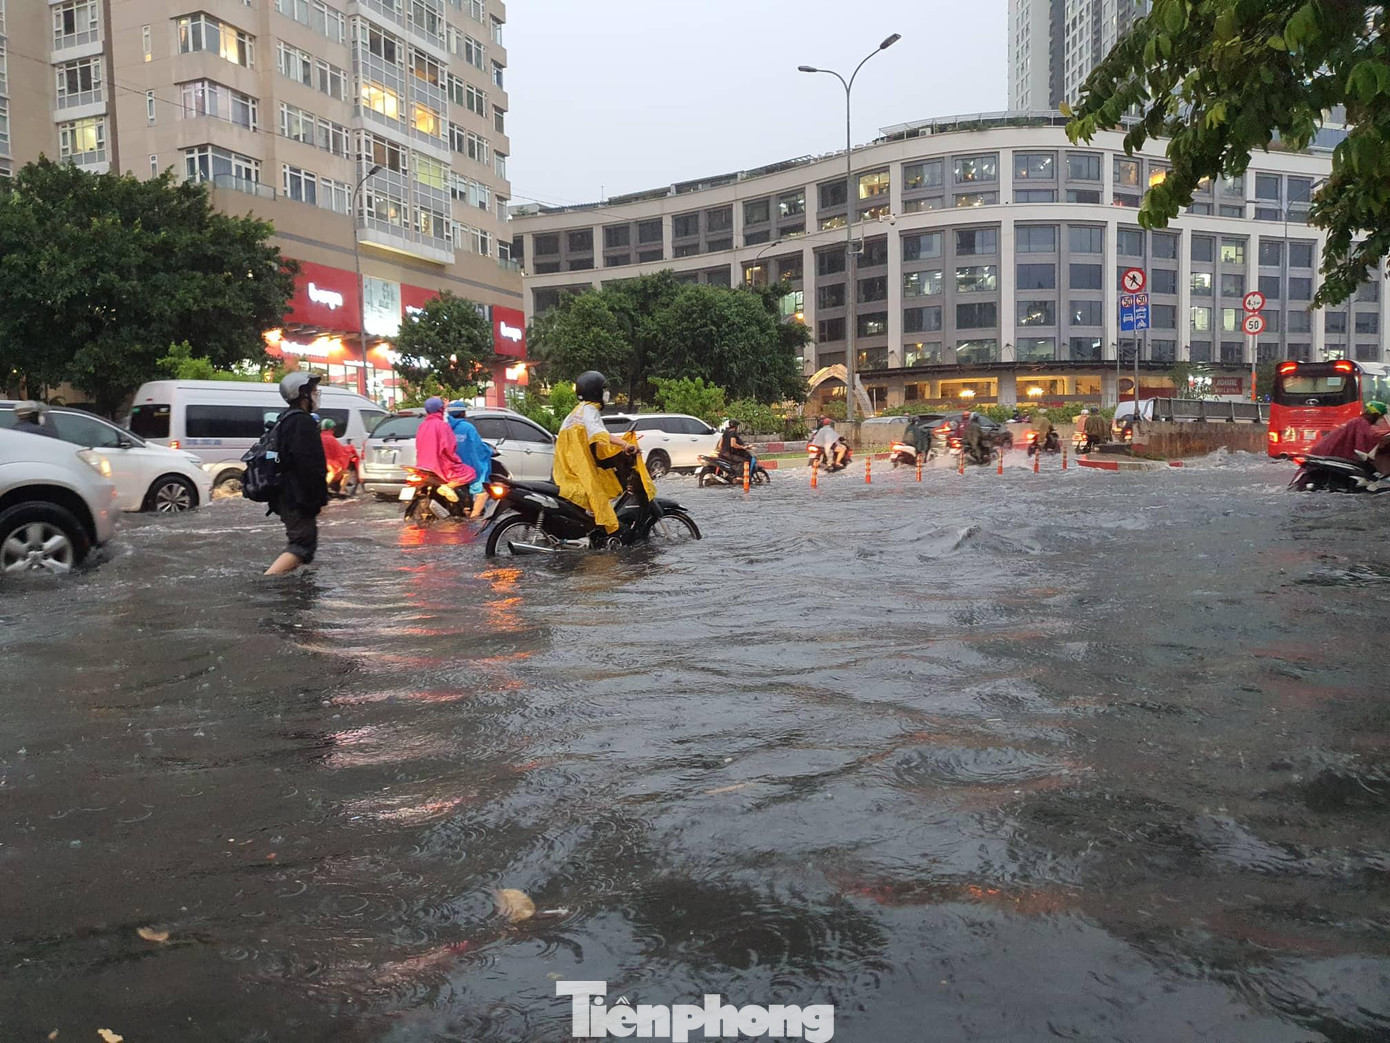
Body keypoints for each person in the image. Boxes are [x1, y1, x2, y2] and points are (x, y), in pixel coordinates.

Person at [553, 370, 654, 535]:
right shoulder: (589, 410)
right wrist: (625, 445)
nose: (607, 393)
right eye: (604, 389)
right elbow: (598, 434)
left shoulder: (576, 412)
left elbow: (594, 438)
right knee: (597, 495)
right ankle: (610, 530)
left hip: (567, 468)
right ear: (595, 391)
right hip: (580, 467)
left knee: (595, 491)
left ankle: (594, 528)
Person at [265, 372, 329, 576]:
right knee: (302, 545)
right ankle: (267, 582)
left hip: (286, 495)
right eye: (313, 391)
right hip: (297, 497)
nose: (317, 394)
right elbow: (309, 466)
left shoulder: (285, 419)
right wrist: (317, 500)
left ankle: (290, 588)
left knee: (305, 547)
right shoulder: (302, 422)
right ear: (303, 395)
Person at [414, 396, 476, 502]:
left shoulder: (423, 425)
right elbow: (449, 448)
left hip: (422, 465)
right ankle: (448, 487)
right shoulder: (442, 426)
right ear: (441, 409)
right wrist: (457, 460)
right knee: (470, 472)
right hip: (439, 464)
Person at [446, 401, 493, 520]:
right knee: (482, 490)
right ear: (462, 413)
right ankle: (474, 517)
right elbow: (477, 447)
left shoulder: (446, 427)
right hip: (466, 468)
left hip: (447, 468)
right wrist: (489, 451)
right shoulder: (468, 427)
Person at [1308, 400, 1390, 461]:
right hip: (1327, 452)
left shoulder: (1359, 421)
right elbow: (1372, 436)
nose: (1380, 420)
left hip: (1325, 451)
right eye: (1380, 417)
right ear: (1376, 415)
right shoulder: (1361, 422)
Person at [320, 418, 353, 483]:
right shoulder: (331, 439)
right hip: (330, 463)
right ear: (331, 428)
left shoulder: (318, 437)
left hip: (318, 462)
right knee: (345, 473)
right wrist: (349, 449)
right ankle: (341, 490)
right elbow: (339, 452)